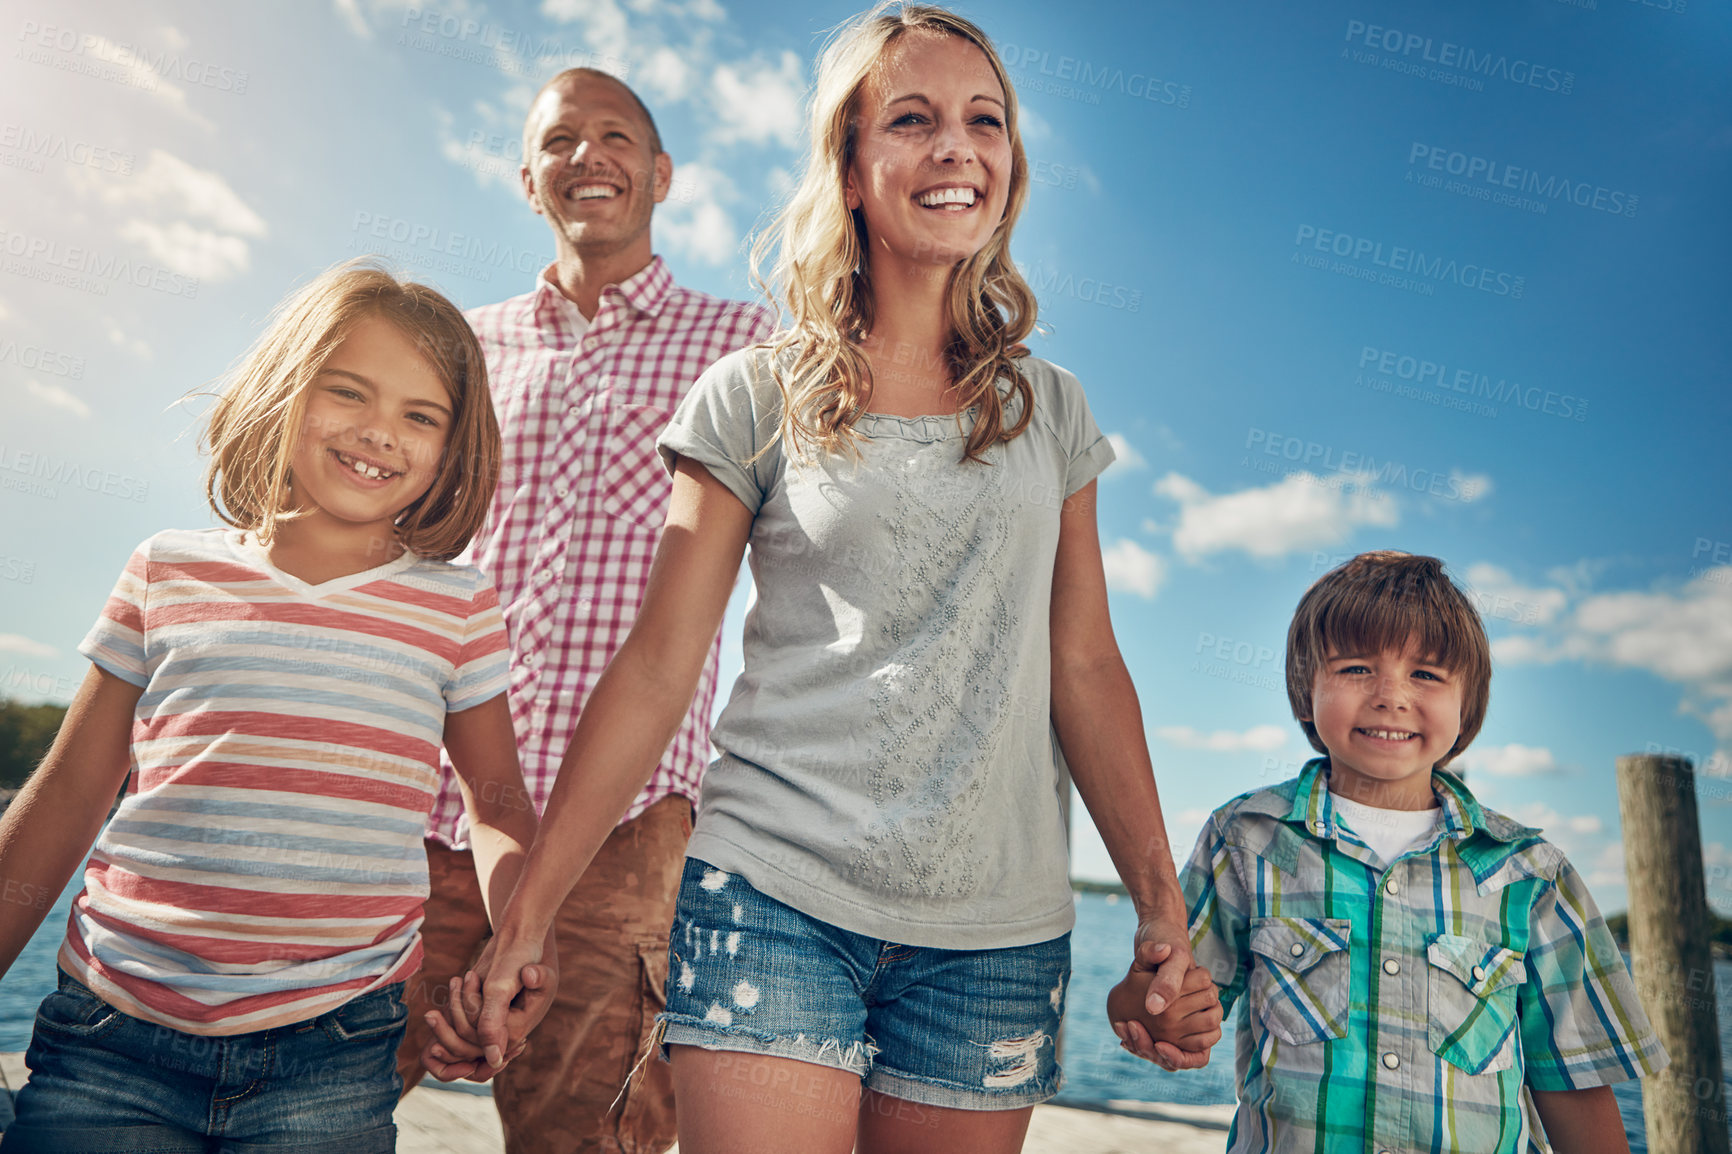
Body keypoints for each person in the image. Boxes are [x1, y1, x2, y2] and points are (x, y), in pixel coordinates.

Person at [448, 6, 1207, 1152]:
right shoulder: (752, 392)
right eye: (912, 119)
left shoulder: (1053, 412)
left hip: (995, 931)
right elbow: (659, 665)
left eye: (983, 121)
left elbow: (1085, 663)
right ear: (849, 170)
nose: (957, 148)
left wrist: (1159, 903)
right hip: (768, 894)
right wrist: (532, 915)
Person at [0, 261, 547, 1153]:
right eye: (349, 393)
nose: (379, 432)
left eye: (421, 415)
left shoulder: (456, 606)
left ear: (456, 446)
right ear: (286, 390)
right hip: (112, 1032)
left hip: (333, 1049)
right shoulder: (166, 568)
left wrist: (524, 939)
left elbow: (496, 801)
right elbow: (68, 793)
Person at [393, 63, 774, 1153]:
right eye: (561, 139)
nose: (586, 156)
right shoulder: (458, 346)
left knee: (589, 1136)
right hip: (424, 803)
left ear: (660, 173)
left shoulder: (745, 346)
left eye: (615, 137)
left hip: (629, 830)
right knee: (309, 1101)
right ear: (527, 177)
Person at [1112, 551, 1668, 1152]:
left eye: (1425, 675)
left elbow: (1574, 1081)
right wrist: (1154, 1009)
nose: (1390, 696)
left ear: (1467, 708)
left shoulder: (1530, 873)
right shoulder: (1246, 838)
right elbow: (1161, 999)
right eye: (1356, 668)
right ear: (1307, 693)